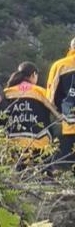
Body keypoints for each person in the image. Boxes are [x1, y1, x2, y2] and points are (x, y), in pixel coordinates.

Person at [0, 62, 59, 170]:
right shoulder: (41, 92)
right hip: (39, 143)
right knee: (45, 176)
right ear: (33, 75)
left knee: (17, 175)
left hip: (13, 143)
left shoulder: (7, 92)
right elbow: (57, 113)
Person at [48, 38, 75, 170]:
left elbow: (50, 96)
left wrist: (56, 114)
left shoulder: (60, 65)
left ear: (71, 48)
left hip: (68, 121)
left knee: (65, 164)